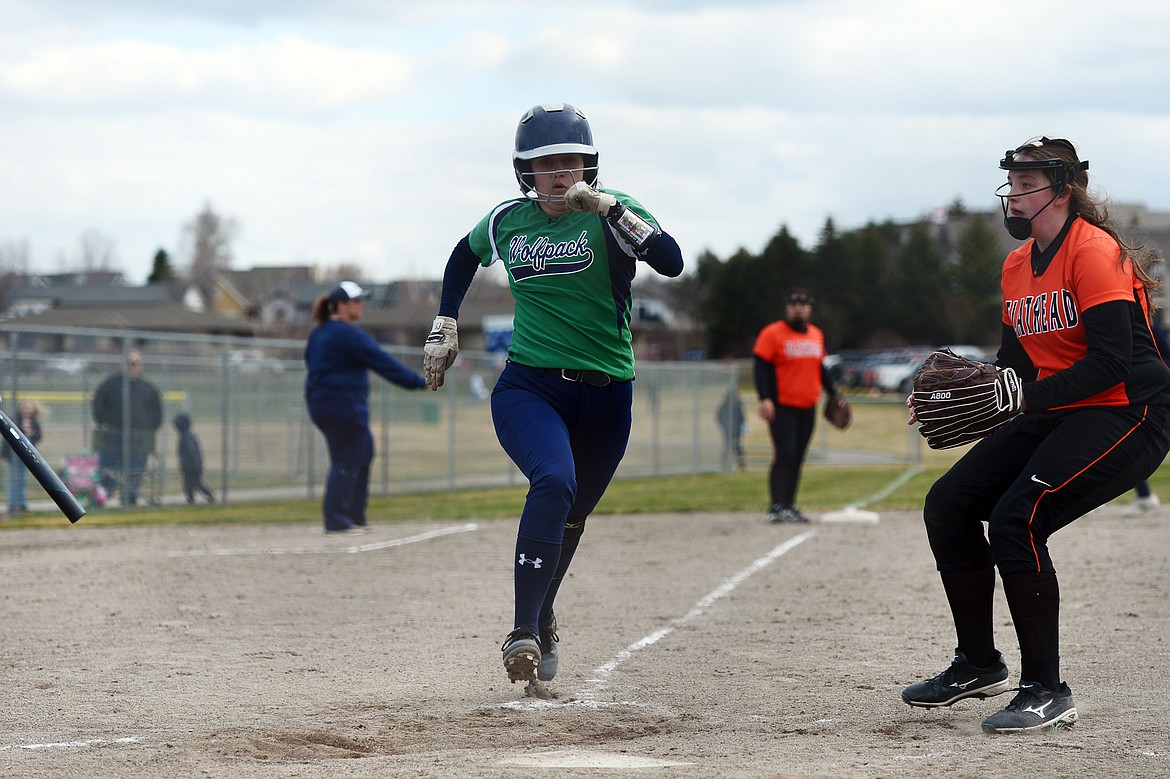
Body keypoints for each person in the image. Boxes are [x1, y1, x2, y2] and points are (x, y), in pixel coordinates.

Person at [902, 137, 1170, 734]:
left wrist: (1022, 395)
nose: (1015, 194)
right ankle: (977, 662)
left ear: (1062, 189)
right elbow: (1016, 365)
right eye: (1012, 183)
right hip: (1062, 407)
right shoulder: (1017, 265)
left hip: (1131, 410)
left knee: (1017, 518)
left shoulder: (1093, 251)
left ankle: (1047, 689)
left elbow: (1110, 364)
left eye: (1027, 183)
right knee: (948, 503)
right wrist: (965, 398)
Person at [420, 102, 684, 685]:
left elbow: (670, 261)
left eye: (574, 163)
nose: (563, 175)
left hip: (608, 395)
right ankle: (522, 632)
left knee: (573, 516)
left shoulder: (615, 213)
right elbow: (462, 257)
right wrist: (446, 320)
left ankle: (542, 617)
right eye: (549, 165)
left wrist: (612, 209)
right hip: (530, 386)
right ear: (526, 173)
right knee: (555, 481)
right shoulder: (509, 220)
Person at [304, 281, 427, 534]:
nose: (362, 305)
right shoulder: (347, 333)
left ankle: (353, 516)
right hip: (342, 403)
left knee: (362, 453)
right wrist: (418, 382)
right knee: (347, 458)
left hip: (321, 402)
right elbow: (382, 361)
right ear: (341, 305)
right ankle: (338, 520)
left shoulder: (320, 333)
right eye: (356, 301)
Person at [752, 288, 841, 523]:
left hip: (808, 405)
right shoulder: (772, 334)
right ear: (787, 308)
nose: (798, 308)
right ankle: (776, 506)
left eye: (803, 304)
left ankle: (789, 505)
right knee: (785, 454)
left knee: (798, 456)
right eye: (793, 304)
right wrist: (765, 398)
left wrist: (834, 395)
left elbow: (820, 368)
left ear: (809, 308)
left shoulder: (815, 335)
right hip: (782, 406)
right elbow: (761, 368)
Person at [92, 350, 163, 507]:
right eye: (131, 363)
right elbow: (98, 404)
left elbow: (157, 412)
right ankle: (102, 497)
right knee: (109, 470)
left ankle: (129, 498)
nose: (134, 366)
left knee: (136, 470)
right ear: (122, 364)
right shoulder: (109, 384)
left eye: (137, 363)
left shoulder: (148, 388)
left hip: (139, 439)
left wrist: (151, 428)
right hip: (113, 438)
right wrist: (102, 422)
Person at [1127, 316, 1170, 514]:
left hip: (1157, 390)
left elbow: (1166, 352)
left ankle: (1145, 496)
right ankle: (1144, 496)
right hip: (1144, 390)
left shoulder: (1145, 322)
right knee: (1131, 446)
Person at [3, 399, 43, 516]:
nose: (26, 409)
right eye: (24, 407)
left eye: (29, 407)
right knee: (14, 478)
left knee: (22, 479)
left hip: (27, 454)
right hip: (14, 453)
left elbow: (38, 436)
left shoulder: (34, 422)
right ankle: (12, 503)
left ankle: (21, 503)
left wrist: (32, 433)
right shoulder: (15, 420)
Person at [173, 413, 215, 505]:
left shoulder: (185, 437)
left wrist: (187, 464)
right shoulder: (189, 435)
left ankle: (199, 497)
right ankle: (193, 498)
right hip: (193, 465)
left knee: (193, 483)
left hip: (191, 466)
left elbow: (190, 452)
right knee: (192, 483)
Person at [716, 385, 747, 471]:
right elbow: (719, 415)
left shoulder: (737, 404)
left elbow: (741, 416)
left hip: (736, 429)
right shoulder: (725, 405)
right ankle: (725, 463)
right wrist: (724, 425)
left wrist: (742, 425)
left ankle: (741, 463)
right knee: (728, 445)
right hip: (728, 429)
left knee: (737, 446)